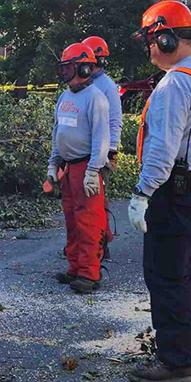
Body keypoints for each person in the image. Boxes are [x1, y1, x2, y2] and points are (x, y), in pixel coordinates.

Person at [127, 0, 191, 382]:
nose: (150, 48)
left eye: (152, 40)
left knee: (167, 274)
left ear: (166, 37)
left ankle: (176, 361)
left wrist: (142, 192)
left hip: (180, 189)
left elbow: (162, 150)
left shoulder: (175, 85)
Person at [46, 43, 110, 294]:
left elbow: (101, 139)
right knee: (72, 220)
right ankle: (75, 267)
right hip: (69, 167)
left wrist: (94, 171)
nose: (64, 73)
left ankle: (89, 273)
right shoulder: (66, 97)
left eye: (68, 67)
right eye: (63, 68)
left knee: (89, 222)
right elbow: (58, 132)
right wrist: (53, 164)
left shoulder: (96, 98)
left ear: (83, 67)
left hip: (86, 167)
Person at [81, 35, 123, 260]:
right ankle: (86, 243)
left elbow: (115, 120)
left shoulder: (105, 86)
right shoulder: (85, 83)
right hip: (85, 151)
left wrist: (112, 151)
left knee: (97, 201)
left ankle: (100, 244)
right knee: (85, 201)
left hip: (101, 151)